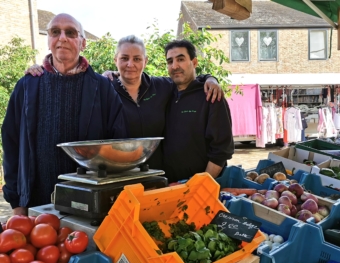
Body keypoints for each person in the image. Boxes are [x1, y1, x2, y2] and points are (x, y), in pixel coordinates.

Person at [26, 35, 224, 170]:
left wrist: (210, 78)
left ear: (145, 61)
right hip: (118, 179)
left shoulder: (162, 87)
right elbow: (70, 80)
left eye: (137, 58)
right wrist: (41, 72)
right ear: (115, 60)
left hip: (157, 176)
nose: (131, 64)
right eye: (125, 58)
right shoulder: (104, 89)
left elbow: (187, 80)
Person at [2, 13, 127, 215]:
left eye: (70, 32)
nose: (62, 38)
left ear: (83, 42)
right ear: (49, 40)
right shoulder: (27, 85)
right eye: (55, 32)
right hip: (36, 201)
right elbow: (11, 144)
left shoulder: (102, 87)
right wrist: (17, 202)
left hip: (89, 202)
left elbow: (118, 143)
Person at [163, 39, 234, 183]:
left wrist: (198, 185)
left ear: (194, 63)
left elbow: (221, 150)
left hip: (201, 189)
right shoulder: (164, 93)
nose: (175, 66)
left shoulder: (211, 96)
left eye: (181, 59)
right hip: (169, 186)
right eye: (170, 61)